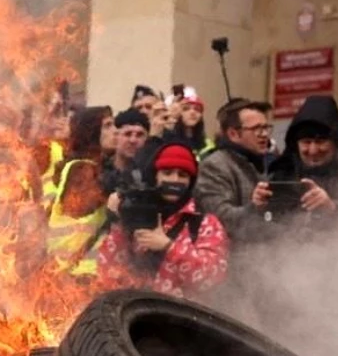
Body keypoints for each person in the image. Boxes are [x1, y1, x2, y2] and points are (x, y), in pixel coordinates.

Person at [99, 143, 229, 298]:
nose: (175, 180)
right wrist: (117, 220)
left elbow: (211, 277)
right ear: (156, 176)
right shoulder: (135, 213)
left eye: (182, 175)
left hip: (183, 316)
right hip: (136, 312)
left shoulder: (205, 224)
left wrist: (168, 247)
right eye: (167, 173)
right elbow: (108, 270)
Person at [264, 95, 338, 231]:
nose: (313, 150)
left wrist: (333, 208)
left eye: (320, 142)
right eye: (306, 142)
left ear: (336, 143)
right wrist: (257, 207)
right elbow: (263, 229)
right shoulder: (282, 174)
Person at [43, 107, 114, 277]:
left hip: (81, 272)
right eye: (108, 126)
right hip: (79, 274)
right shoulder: (82, 170)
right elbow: (89, 204)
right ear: (92, 131)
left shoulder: (91, 166)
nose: (116, 131)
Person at [194, 98, 274, 244]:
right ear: (233, 134)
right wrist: (254, 207)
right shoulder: (214, 166)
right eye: (256, 129)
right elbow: (220, 219)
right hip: (234, 260)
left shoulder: (269, 162)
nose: (264, 134)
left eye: (266, 128)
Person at [170, 87, 214, 156]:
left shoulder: (208, 145)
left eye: (197, 109)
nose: (192, 112)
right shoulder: (169, 141)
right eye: (186, 109)